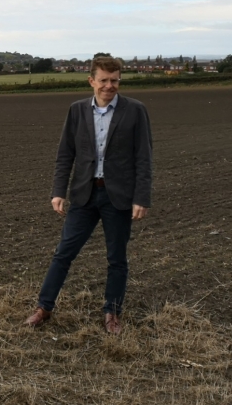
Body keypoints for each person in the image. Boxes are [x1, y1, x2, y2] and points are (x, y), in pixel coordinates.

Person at [24, 56, 152, 335]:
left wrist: (142, 197)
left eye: (115, 80)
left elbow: (144, 157)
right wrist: (58, 191)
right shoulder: (77, 111)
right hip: (84, 195)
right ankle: (43, 308)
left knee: (117, 258)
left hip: (118, 197)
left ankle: (112, 313)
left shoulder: (135, 111)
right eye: (104, 80)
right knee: (63, 253)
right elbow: (65, 155)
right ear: (91, 81)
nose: (109, 86)